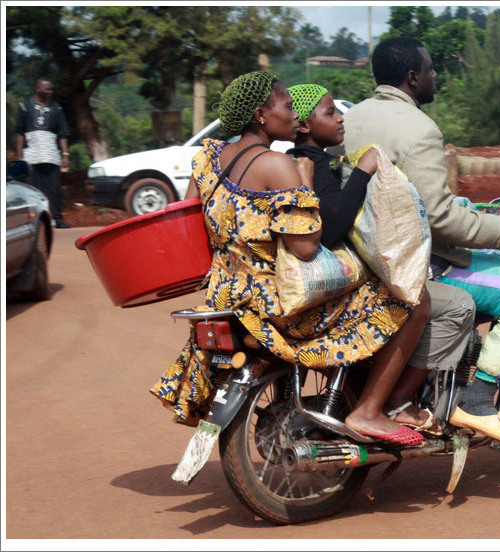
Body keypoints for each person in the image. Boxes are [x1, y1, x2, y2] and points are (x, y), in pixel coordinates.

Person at [150, 71, 431, 448]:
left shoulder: (206, 160)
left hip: (225, 295)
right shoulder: (278, 166)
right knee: (412, 300)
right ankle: (370, 410)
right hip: (275, 300)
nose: (295, 117)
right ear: (261, 115)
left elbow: (189, 224)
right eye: (286, 107)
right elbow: (306, 248)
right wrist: (302, 182)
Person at [342, 37, 500, 445]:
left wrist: (468, 208)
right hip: (420, 263)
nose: (435, 76)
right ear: (412, 77)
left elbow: (410, 198)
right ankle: (477, 400)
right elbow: (441, 222)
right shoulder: (420, 128)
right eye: (431, 69)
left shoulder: (351, 118)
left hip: (364, 255)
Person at [286, 83, 474, 434]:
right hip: (337, 277)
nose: (341, 118)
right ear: (305, 125)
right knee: (440, 304)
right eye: (330, 112)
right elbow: (332, 226)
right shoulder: (314, 164)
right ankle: (394, 403)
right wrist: (363, 171)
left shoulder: (298, 161)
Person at [14, 77, 72, 228]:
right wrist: (19, 156)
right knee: (33, 190)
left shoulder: (56, 108)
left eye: (51, 89)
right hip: (31, 155)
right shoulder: (25, 106)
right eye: (47, 89)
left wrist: (65, 154)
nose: (50, 92)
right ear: (38, 89)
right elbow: (20, 133)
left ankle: (57, 219)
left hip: (51, 155)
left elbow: (63, 133)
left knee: (54, 189)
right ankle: (36, 222)